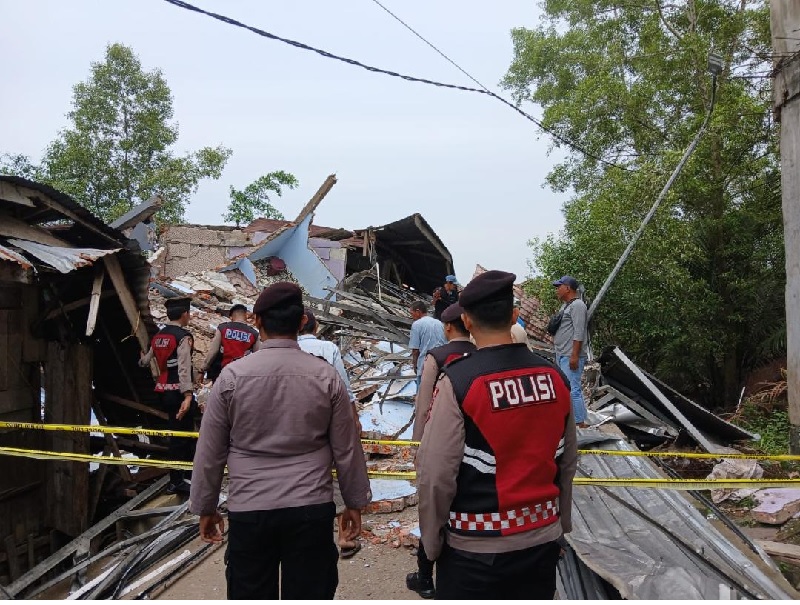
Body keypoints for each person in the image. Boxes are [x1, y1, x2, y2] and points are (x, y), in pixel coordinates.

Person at [189, 282, 371, 600]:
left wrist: (206, 506)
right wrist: (353, 503)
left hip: (250, 509)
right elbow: (346, 447)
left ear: (256, 320)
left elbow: (210, 452)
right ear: (302, 322)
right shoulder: (326, 377)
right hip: (310, 508)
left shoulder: (231, 379)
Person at [416, 270, 577, 600]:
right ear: (515, 316)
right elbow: (568, 460)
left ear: (467, 321)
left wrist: (431, 544)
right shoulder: (554, 377)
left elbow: (435, 475)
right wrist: (562, 525)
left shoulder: (459, 381)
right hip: (541, 540)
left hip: (474, 551)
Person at [407, 303, 475, 599]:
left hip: (440, 443)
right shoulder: (481, 354)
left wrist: (417, 445)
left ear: (448, 327)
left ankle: (425, 576)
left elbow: (424, 408)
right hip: (474, 447)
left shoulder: (437, 357)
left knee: (433, 509)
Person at [297, 308, 363, 559]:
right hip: (328, 417)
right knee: (338, 472)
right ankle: (344, 537)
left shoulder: (285, 350)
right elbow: (344, 388)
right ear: (314, 328)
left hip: (297, 423)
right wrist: (354, 418)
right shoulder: (328, 349)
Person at [138, 296, 196, 495]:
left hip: (163, 392)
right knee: (183, 437)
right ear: (184, 314)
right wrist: (188, 395)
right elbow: (183, 368)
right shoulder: (183, 337)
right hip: (178, 393)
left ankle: (183, 476)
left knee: (178, 434)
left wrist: (141, 358)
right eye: (189, 313)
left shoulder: (159, 336)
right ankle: (179, 480)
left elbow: (145, 361)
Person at [552, 275, 589, 428]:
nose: (557, 290)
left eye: (559, 287)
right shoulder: (566, 306)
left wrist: (574, 355)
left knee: (573, 389)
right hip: (562, 354)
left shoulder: (578, 306)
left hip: (570, 355)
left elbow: (579, 332)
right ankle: (572, 420)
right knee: (566, 389)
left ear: (567, 288)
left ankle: (580, 423)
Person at [197, 304, 259, 386]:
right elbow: (258, 357)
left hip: (221, 372)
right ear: (246, 316)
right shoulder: (254, 333)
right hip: (241, 376)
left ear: (231, 317)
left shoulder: (223, 328)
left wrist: (202, 370)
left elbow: (213, 351)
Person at [408, 301, 446, 388]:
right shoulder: (439, 323)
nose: (411, 316)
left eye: (412, 313)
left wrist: (415, 365)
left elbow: (415, 349)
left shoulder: (417, 324)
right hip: (441, 364)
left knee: (422, 394)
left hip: (424, 365)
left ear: (418, 311)